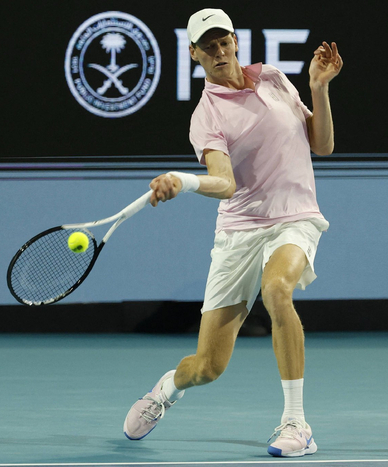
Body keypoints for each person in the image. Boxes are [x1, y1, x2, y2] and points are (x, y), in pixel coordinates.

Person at [123, 8, 342, 458]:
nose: (219, 51)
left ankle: (296, 423)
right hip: (240, 231)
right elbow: (225, 185)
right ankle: (166, 390)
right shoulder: (207, 115)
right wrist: (184, 180)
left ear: (236, 41)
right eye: (208, 46)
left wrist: (318, 88)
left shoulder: (275, 79)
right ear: (194, 54)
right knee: (207, 367)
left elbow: (321, 144)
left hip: (294, 216)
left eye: (224, 42)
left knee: (277, 289)